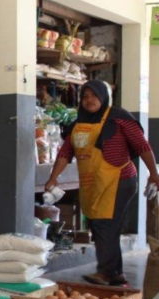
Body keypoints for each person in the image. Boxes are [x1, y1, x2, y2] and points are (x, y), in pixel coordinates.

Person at [46, 80, 159, 286]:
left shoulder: (119, 118)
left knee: (106, 224)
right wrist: (54, 178)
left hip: (119, 179)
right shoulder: (77, 123)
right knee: (100, 226)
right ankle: (115, 273)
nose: (89, 100)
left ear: (103, 97)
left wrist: (153, 173)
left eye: (94, 96)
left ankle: (108, 273)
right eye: (85, 97)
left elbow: (142, 145)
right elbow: (65, 153)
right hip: (93, 183)